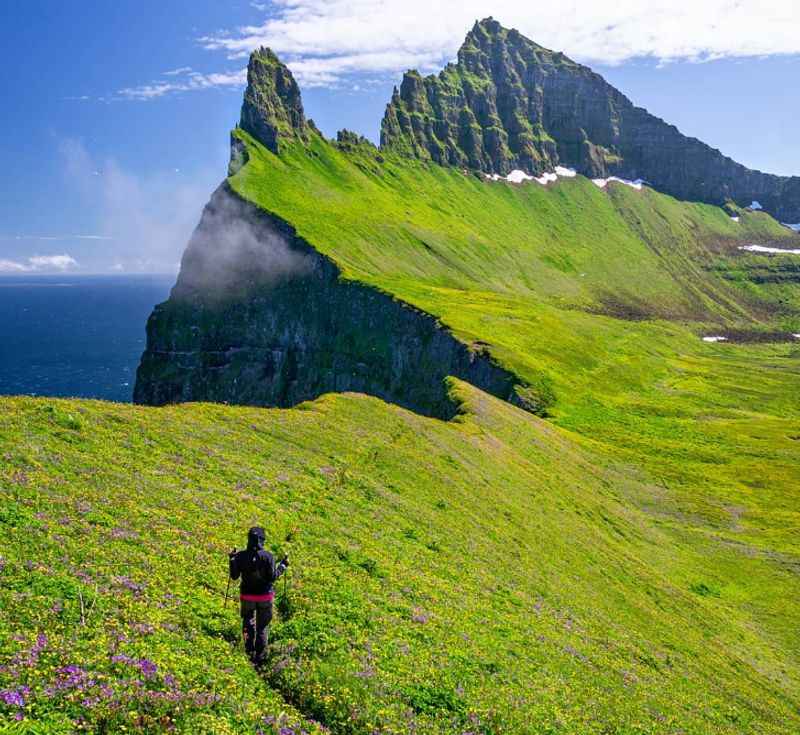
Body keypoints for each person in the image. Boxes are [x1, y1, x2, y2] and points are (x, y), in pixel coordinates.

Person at [228, 526, 288, 665]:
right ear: (262, 540)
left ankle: (249, 652)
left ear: (249, 539)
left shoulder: (241, 556)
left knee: (248, 621)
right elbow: (273, 577)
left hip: (247, 595)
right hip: (264, 596)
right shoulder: (268, 556)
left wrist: (232, 559)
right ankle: (260, 657)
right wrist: (283, 566)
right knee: (263, 626)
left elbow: (234, 576)